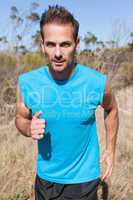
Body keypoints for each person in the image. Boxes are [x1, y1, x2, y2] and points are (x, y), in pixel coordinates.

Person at [15, 5, 119, 200]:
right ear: (42, 44)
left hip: (84, 181)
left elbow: (112, 110)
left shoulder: (97, 82)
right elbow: (20, 118)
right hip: (46, 179)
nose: (57, 53)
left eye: (65, 44)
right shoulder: (27, 82)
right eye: (50, 44)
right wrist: (29, 128)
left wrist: (110, 150)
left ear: (77, 44)